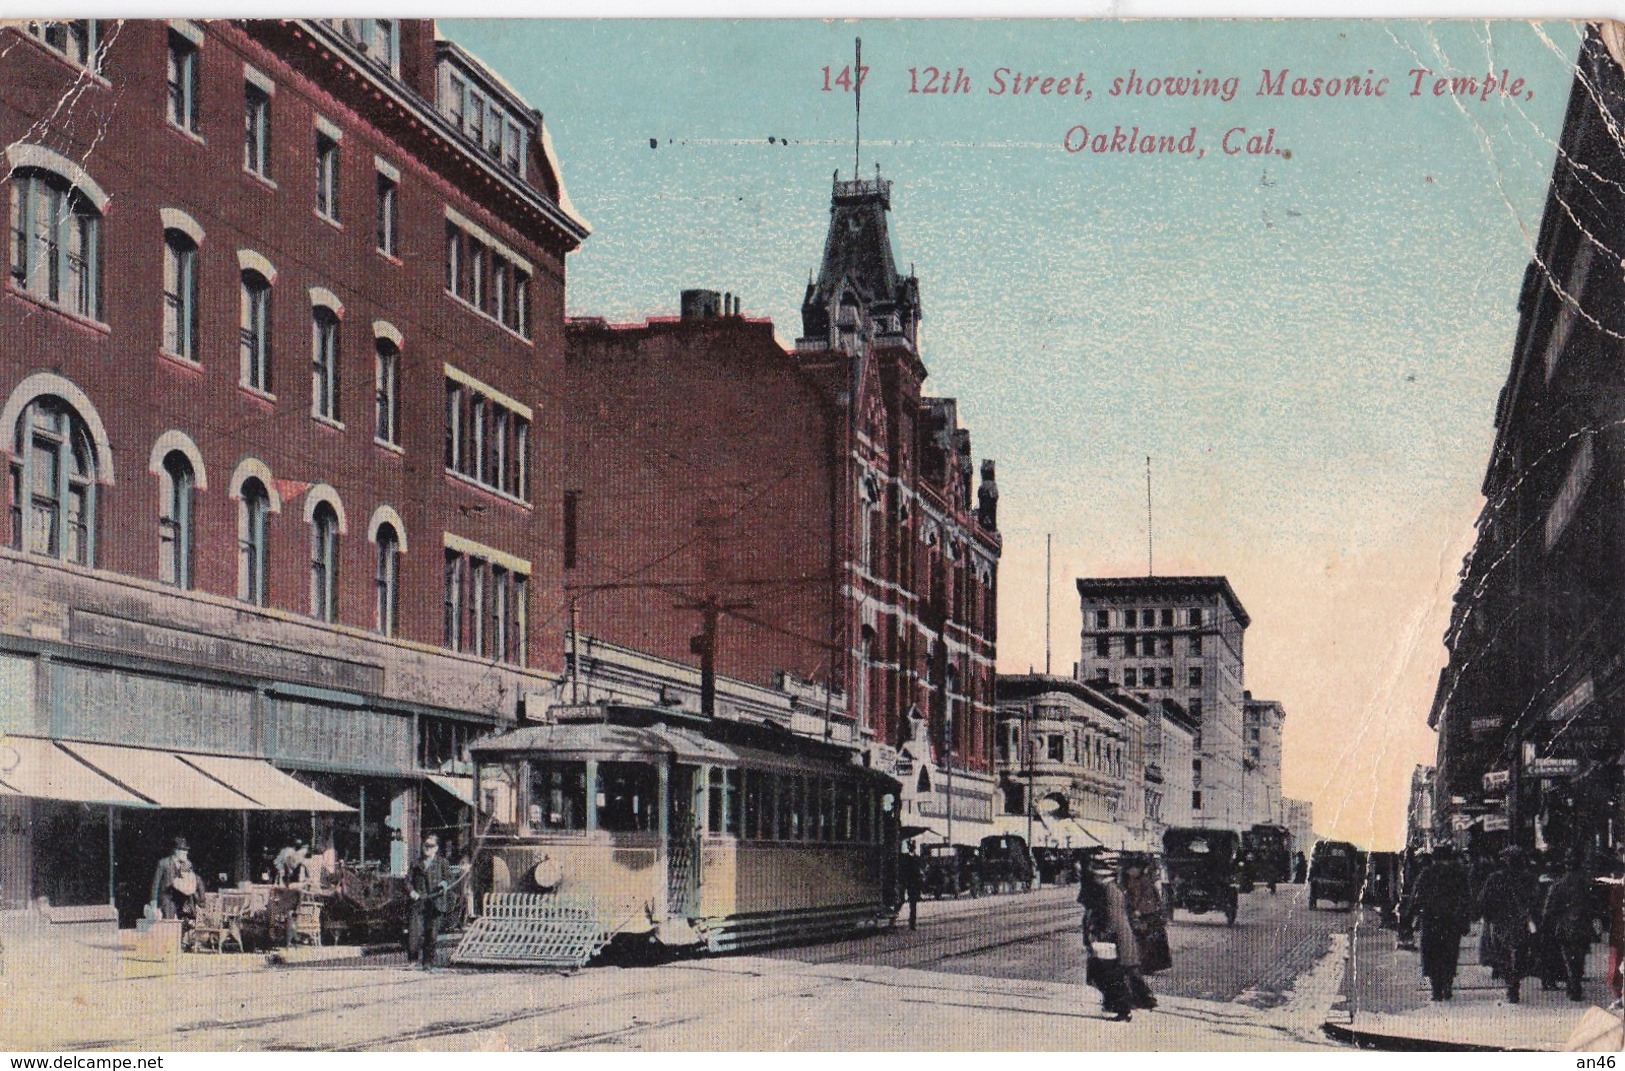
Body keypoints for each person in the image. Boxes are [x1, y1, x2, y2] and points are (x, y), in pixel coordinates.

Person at [1078, 855, 1140, 1021]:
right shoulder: (1111, 888)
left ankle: (1122, 1009)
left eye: (1097, 875)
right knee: (1111, 974)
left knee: (1111, 975)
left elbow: (1112, 919)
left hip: (1115, 939)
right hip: (1118, 938)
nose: (1095, 878)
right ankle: (1118, 1007)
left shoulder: (1108, 891)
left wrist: (1102, 935)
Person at [1408, 843, 1472, 1000]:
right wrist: (1464, 920)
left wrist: (1413, 914)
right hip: (1452, 921)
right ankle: (1447, 984)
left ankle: (1436, 989)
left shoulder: (1427, 873)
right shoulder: (1459, 873)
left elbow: (1416, 897)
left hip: (1431, 920)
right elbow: (1466, 898)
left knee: (1432, 953)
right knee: (1449, 952)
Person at [1478, 847, 1540, 1003]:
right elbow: (1536, 900)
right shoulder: (1529, 878)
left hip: (1501, 921)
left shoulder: (1495, 878)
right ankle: (1514, 984)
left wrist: (1486, 916)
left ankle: (1511, 984)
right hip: (1520, 920)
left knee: (1503, 953)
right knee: (1519, 951)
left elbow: (1484, 900)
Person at [1542, 850, 1595, 1002]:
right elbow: (1595, 905)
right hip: (1583, 925)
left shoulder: (1558, 884)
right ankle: (1575, 983)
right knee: (1580, 956)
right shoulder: (1586, 883)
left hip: (1564, 926)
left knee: (1569, 957)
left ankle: (1573, 985)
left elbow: (1549, 909)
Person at [407, 834, 455, 971]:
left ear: (436, 848)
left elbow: (450, 879)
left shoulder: (442, 863)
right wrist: (411, 892)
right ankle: (413, 959)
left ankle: (427, 962)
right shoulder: (416, 863)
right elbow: (407, 881)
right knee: (414, 933)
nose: (427, 848)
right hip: (419, 902)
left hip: (435, 902)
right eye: (425, 845)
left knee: (432, 935)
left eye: (431, 846)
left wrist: (444, 884)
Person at [1123, 857, 1171, 978]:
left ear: (1137, 869)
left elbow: (1145, 897)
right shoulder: (1134, 879)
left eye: (1132, 869)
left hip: (1147, 914)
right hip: (1144, 913)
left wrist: (1138, 910)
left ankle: (1147, 966)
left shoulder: (1143, 880)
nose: (1130, 872)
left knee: (1147, 941)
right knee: (1144, 940)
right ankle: (1144, 965)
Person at [150, 838, 197, 920]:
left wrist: (191, 904)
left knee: (186, 923)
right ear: (176, 851)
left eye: (186, 850)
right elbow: (156, 884)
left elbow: (191, 884)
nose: (185, 853)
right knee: (170, 924)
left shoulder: (188, 864)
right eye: (183, 850)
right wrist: (154, 902)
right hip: (167, 899)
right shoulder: (163, 863)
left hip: (183, 899)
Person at [900, 842, 922, 931]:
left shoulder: (906, 858)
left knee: (909, 903)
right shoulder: (916, 858)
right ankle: (912, 924)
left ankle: (911, 923)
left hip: (909, 883)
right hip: (914, 884)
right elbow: (918, 872)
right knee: (913, 905)